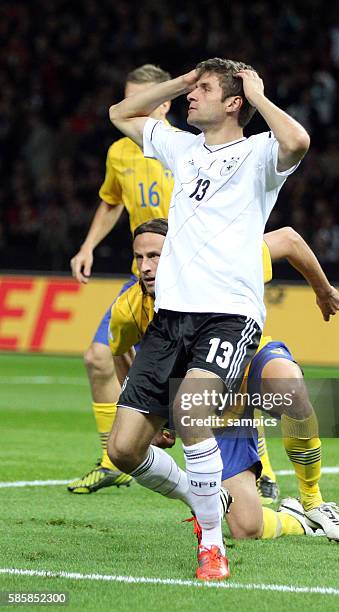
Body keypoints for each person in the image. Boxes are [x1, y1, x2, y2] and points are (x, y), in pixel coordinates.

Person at [107, 57, 311, 580]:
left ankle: (213, 549)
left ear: (234, 101)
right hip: (171, 317)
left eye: (202, 90)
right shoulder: (182, 146)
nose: (189, 97)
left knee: (193, 411)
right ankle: (208, 504)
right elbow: (119, 113)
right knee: (125, 448)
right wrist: (181, 80)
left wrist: (260, 95)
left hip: (228, 314)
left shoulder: (258, 152)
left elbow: (299, 141)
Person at [108, 218, 339, 544]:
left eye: (155, 256)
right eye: (139, 258)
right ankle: (299, 521)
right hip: (214, 411)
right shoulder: (130, 308)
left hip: (248, 366)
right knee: (246, 528)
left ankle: (313, 500)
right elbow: (119, 351)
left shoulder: (220, 263)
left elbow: (290, 240)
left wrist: (323, 291)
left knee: (287, 383)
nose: (146, 267)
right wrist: (146, 414)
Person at [67, 65, 174, 494]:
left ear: (165, 103)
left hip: (192, 280)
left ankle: (260, 472)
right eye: (126, 100)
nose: (131, 110)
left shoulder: (187, 148)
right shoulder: (118, 153)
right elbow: (111, 202)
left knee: (225, 376)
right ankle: (113, 458)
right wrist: (88, 245)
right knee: (98, 356)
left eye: (142, 101)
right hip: (143, 278)